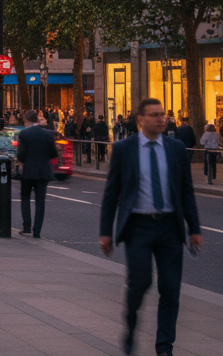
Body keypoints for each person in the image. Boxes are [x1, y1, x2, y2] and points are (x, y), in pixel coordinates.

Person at [99, 98, 201, 356]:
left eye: (163, 114)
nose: (161, 119)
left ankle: (164, 346)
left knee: (170, 288)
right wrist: (105, 232)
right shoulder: (124, 149)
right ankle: (131, 328)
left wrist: (194, 228)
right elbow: (112, 194)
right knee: (140, 282)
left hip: (169, 227)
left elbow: (186, 191)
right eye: (155, 115)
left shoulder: (176, 148)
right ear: (140, 120)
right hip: (138, 226)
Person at [15, 109, 58, 240]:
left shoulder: (24, 134)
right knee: (40, 202)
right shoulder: (47, 135)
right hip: (43, 171)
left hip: (28, 170)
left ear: (27, 120)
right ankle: (37, 231)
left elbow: (21, 154)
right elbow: (54, 153)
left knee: (25, 198)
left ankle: (27, 227)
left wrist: (23, 161)